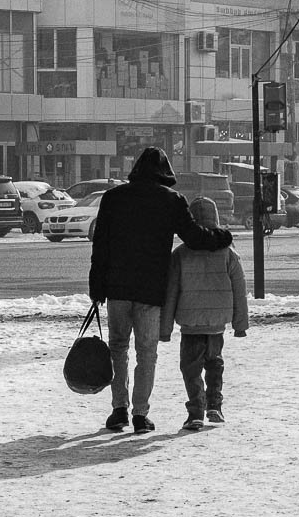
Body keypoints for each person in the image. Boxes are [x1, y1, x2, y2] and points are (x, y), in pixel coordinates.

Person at [89, 148, 233, 435]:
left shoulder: (113, 198)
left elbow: (100, 245)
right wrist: (222, 236)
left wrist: (97, 286)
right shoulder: (170, 200)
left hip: (116, 287)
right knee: (147, 352)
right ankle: (141, 415)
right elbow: (193, 237)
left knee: (118, 348)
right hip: (151, 290)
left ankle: (118, 410)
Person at [161, 196, 249, 431]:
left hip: (190, 325)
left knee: (190, 368)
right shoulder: (228, 253)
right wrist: (240, 325)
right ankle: (215, 405)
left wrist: (165, 329)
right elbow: (239, 290)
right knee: (214, 364)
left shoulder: (180, 254)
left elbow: (170, 293)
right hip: (217, 325)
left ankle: (196, 412)